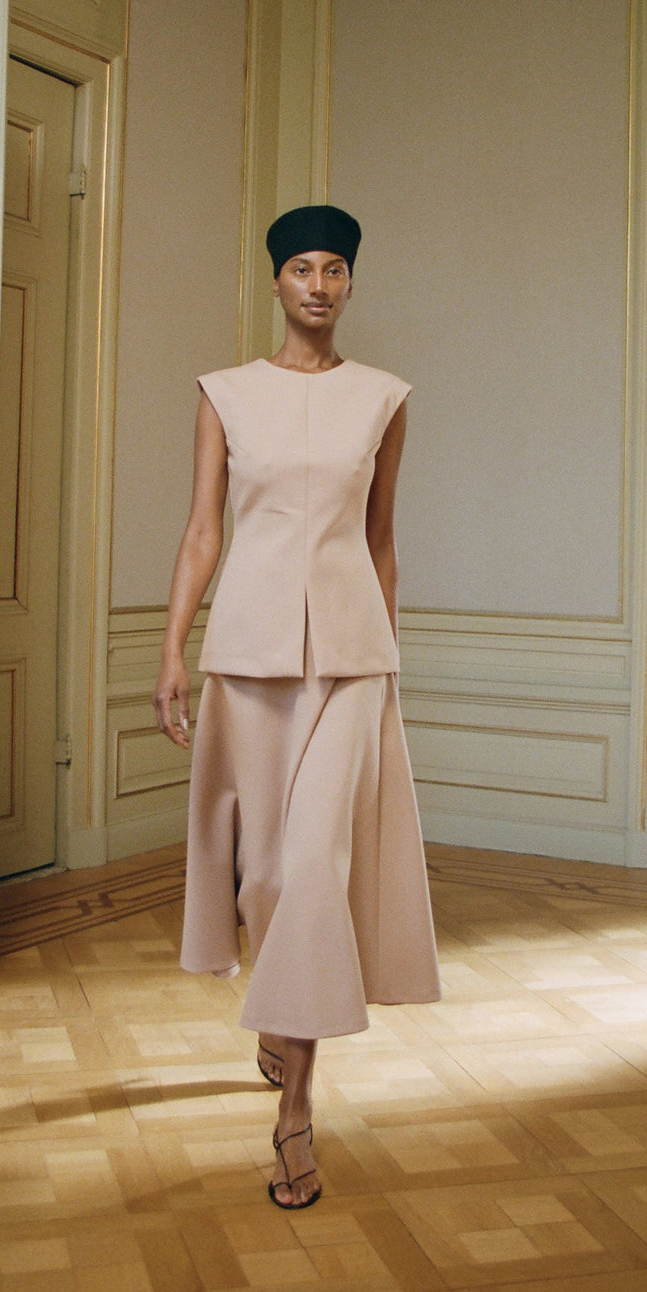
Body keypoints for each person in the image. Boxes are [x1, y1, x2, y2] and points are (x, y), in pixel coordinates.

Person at [153, 204, 440, 1210]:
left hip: (352, 661)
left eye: (335, 270)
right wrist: (172, 648)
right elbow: (201, 535)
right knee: (270, 876)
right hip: (249, 655)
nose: (318, 286)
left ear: (352, 284)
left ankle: (295, 1113)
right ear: (275, 283)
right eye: (301, 270)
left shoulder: (384, 398)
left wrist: (390, 651)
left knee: (316, 867)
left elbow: (381, 539)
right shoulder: (225, 394)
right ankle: (280, 1026)